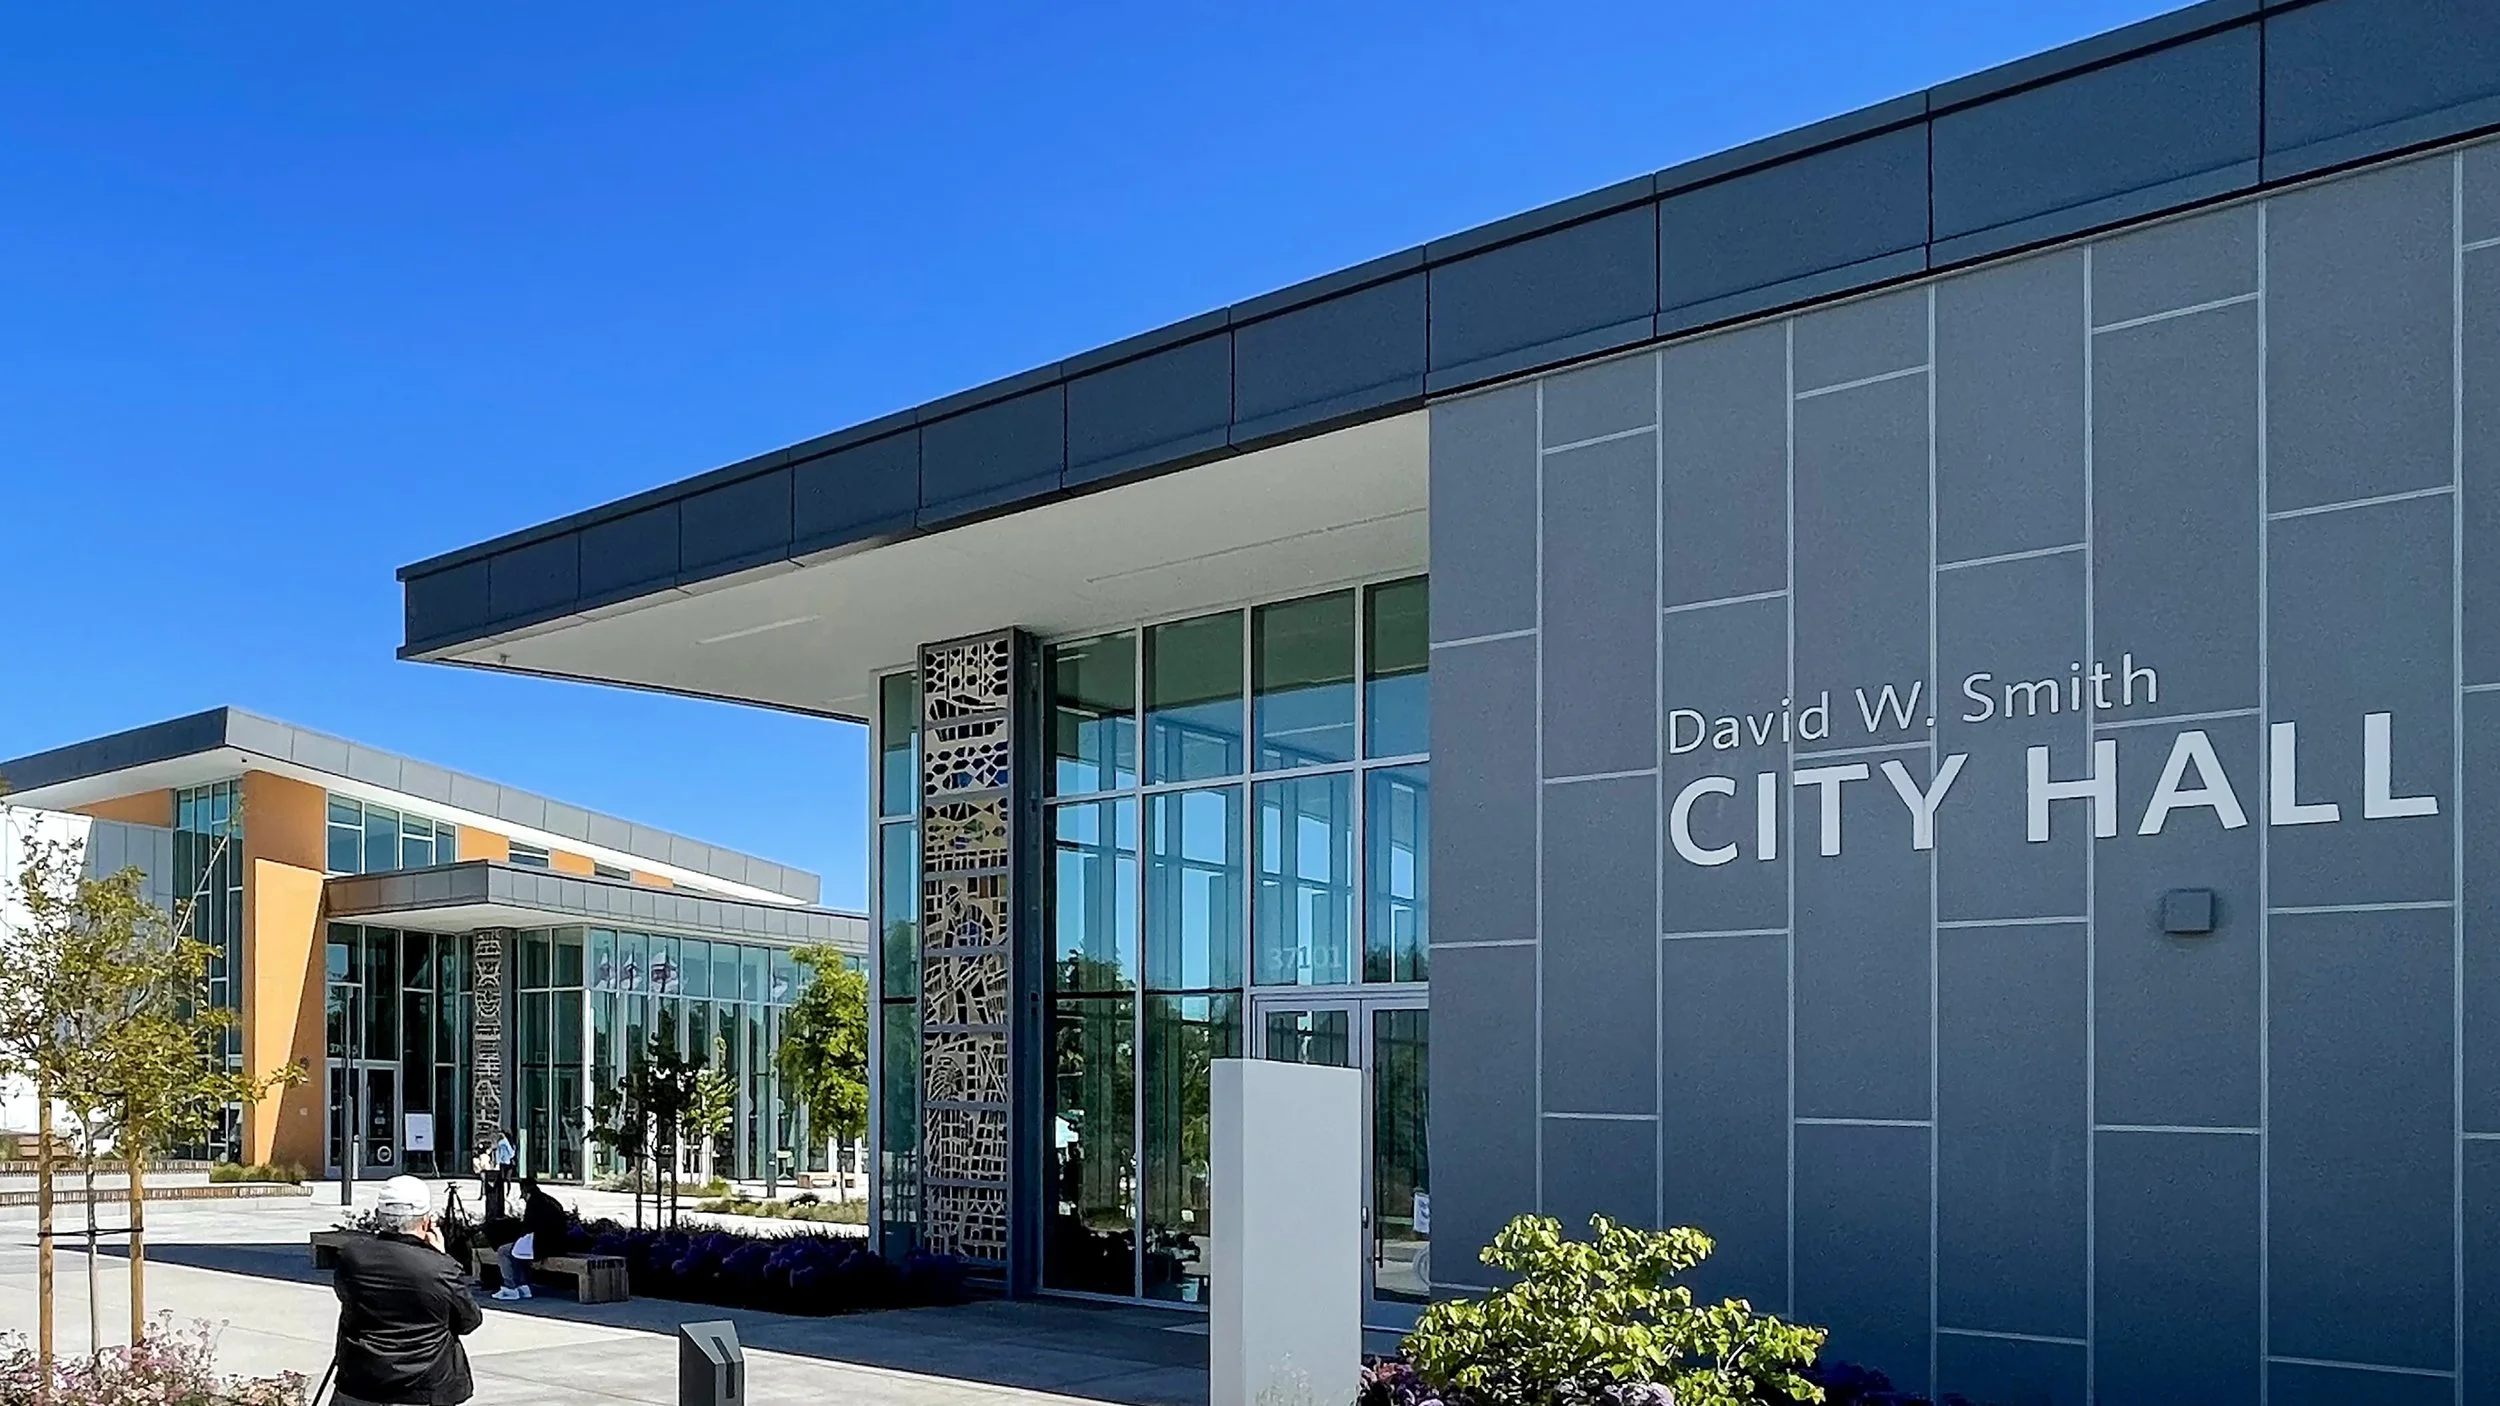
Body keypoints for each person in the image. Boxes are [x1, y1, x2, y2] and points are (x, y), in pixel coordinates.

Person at [330, 1176, 480, 1406]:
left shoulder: (352, 1257)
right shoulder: (440, 1268)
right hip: (422, 1388)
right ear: (426, 1222)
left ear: (380, 1217)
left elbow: (345, 1295)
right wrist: (440, 1256)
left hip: (360, 1382)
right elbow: (469, 1320)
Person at [492, 1178, 570, 1302]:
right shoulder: (549, 1200)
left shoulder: (534, 1203)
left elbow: (528, 1228)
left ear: (524, 1191)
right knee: (518, 1251)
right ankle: (523, 1286)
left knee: (504, 1251)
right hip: (558, 1243)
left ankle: (510, 1288)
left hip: (542, 1244)